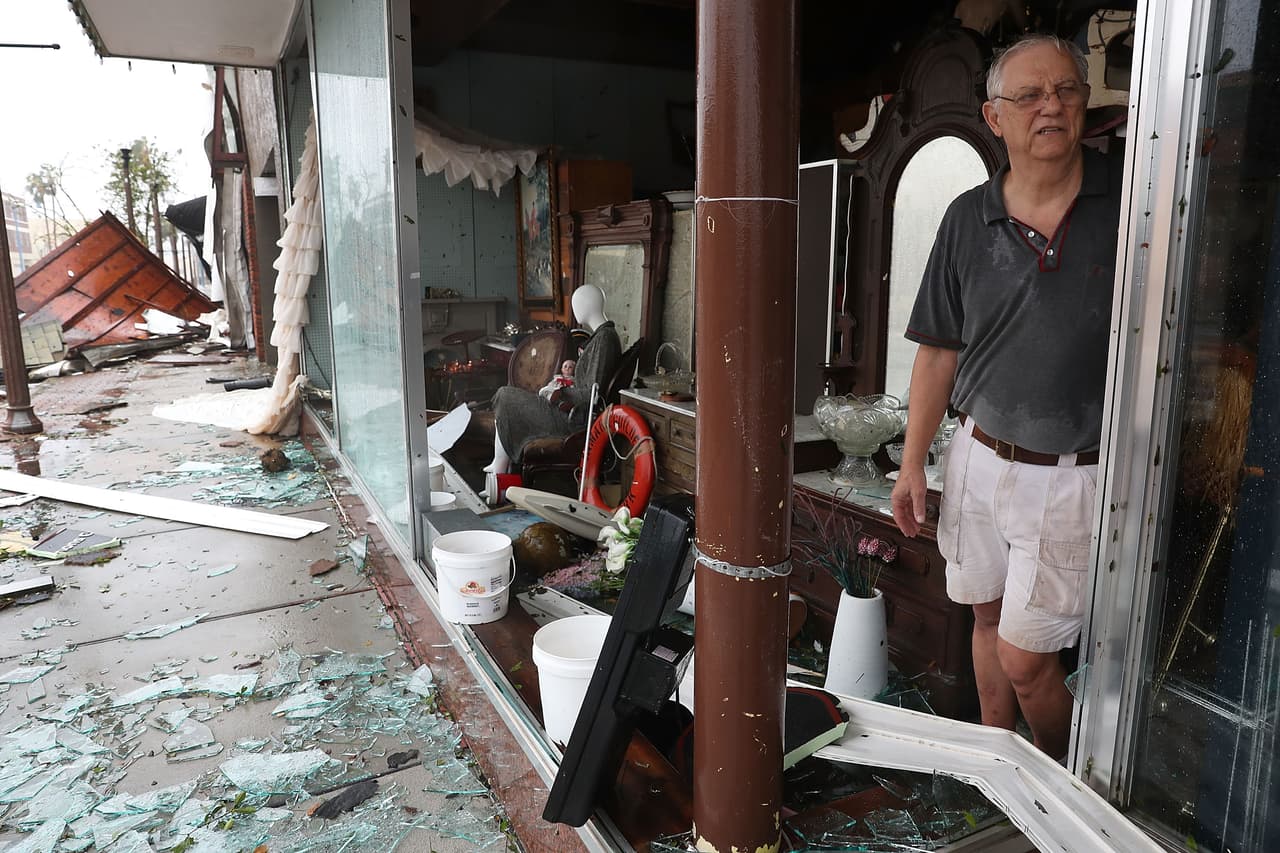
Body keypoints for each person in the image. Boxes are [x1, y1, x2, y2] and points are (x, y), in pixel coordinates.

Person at [889, 34, 1121, 760]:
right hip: (980, 458)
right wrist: (911, 463)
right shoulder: (966, 218)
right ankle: (1000, 770)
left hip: (1072, 473)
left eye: (1067, 91)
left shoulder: (1129, 201)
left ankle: (1061, 783)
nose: (1051, 106)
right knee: (984, 621)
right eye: (1029, 96)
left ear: (1084, 103)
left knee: (1028, 659)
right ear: (995, 117)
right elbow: (937, 353)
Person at [483, 285, 621, 498]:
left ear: (586, 305)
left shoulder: (605, 340)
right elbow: (589, 385)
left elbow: (593, 394)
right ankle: (500, 468)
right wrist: (563, 383)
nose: (574, 308)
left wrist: (559, 394)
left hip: (574, 419)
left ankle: (499, 470)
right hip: (570, 409)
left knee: (505, 395)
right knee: (508, 396)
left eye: (576, 303)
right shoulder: (602, 337)